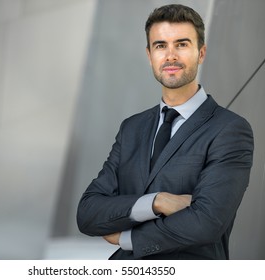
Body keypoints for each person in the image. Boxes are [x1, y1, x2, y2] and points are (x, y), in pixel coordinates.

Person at [76, 4, 254, 260]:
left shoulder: (229, 130)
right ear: (150, 55)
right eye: (161, 46)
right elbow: (88, 212)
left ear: (201, 52)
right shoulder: (132, 128)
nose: (170, 56)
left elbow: (206, 224)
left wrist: (127, 238)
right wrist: (157, 201)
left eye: (181, 44)